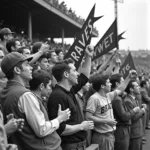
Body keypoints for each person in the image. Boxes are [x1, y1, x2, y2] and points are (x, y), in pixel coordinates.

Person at [0, 52, 70, 150]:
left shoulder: (4, 92)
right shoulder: (25, 95)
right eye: (27, 65)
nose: (31, 67)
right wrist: (60, 118)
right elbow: (42, 130)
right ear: (17, 70)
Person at [47, 45, 94, 150]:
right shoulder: (57, 96)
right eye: (74, 71)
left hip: (78, 144)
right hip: (70, 146)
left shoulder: (70, 90)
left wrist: (88, 56)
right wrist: (82, 126)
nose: (77, 73)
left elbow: (85, 76)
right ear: (66, 74)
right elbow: (60, 129)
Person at [85, 70, 137, 150]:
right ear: (102, 86)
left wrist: (129, 77)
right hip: (101, 136)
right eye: (108, 82)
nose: (110, 84)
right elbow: (88, 117)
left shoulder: (108, 96)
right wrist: (106, 121)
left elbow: (120, 89)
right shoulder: (94, 98)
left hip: (110, 135)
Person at [109, 73, 140, 150]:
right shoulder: (117, 99)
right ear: (117, 84)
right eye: (123, 82)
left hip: (123, 129)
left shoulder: (119, 97)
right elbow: (124, 117)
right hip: (121, 130)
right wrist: (134, 110)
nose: (125, 84)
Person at [124, 79, 146, 150]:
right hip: (134, 133)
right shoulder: (127, 101)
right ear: (131, 89)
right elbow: (132, 118)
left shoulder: (133, 98)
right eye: (137, 86)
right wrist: (142, 111)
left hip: (138, 131)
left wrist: (141, 109)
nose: (139, 87)